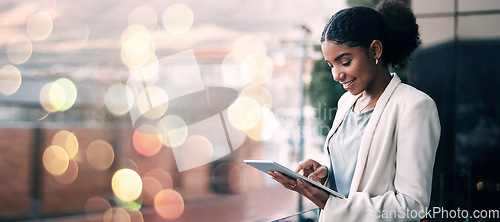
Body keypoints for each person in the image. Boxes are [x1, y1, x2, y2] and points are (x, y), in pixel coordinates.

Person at [268, 0, 441, 221]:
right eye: (331, 65)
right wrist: (326, 179)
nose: (336, 75)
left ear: (375, 50)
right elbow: (357, 181)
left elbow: (412, 206)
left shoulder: (414, 106)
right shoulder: (345, 103)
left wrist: (327, 202)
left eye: (345, 62)